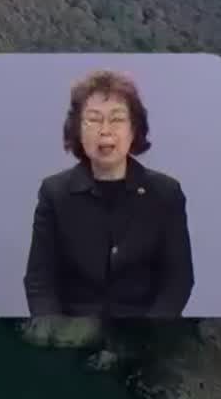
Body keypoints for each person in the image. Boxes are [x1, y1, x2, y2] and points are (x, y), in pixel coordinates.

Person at [23, 69, 194, 318]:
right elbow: (40, 283)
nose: (105, 130)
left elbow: (178, 282)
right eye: (93, 119)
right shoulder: (55, 194)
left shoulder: (166, 194)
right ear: (78, 131)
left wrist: (147, 338)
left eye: (116, 119)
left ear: (134, 129)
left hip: (142, 337)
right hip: (73, 336)